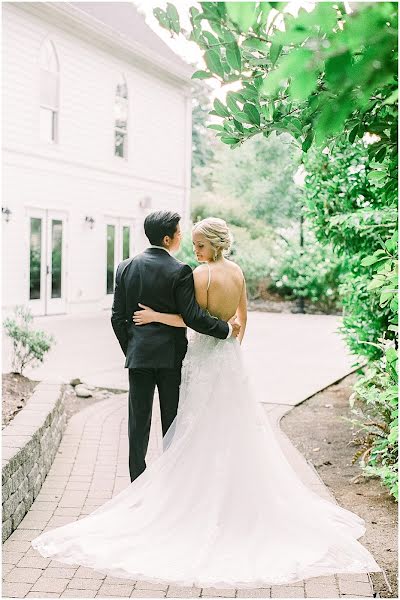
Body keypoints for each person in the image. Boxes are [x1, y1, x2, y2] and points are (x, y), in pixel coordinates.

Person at [31, 217, 384, 589]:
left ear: (212, 244)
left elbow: (168, 317)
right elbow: (234, 319)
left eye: (199, 244)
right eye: (189, 241)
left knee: (168, 425)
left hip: (173, 357)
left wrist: (139, 336)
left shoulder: (171, 271)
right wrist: (230, 342)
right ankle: (201, 492)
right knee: (198, 425)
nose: (193, 248)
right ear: (171, 237)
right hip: (218, 359)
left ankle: (153, 492)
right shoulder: (217, 272)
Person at [109, 210, 240, 482]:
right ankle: (170, 482)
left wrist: (132, 347)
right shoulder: (179, 270)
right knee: (172, 422)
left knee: (138, 423)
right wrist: (226, 329)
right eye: (180, 234)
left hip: (139, 357)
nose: (183, 238)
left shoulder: (125, 267)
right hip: (171, 359)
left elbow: (117, 318)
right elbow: (193, 317)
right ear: (168, 238)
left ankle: (138, 483)